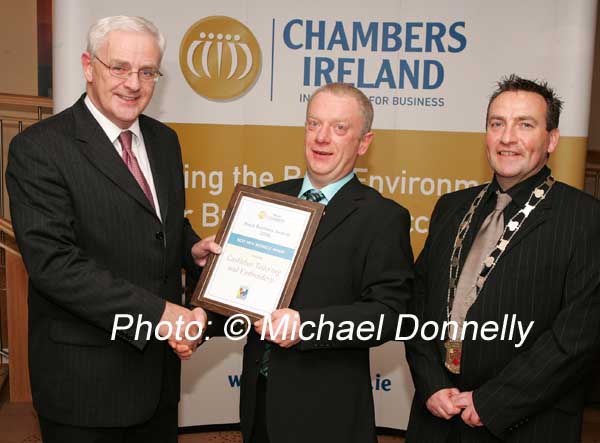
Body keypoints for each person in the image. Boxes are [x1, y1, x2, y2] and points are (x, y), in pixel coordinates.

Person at [6, 15, 217, 443]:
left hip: (156, 378)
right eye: (118, 67)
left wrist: (189, 248)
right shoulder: (40, 148)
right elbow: (55, 265)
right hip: (85, 384)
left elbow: (160, 222)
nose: (133, 83)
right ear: (88, 66)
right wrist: (161, 315)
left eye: (146, 71)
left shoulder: (164, 140)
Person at [178, 82, 414, 442]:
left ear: (364, 142)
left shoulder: (382, 218)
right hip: (259, 405)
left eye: (339, 128)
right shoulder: (269, 199)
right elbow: (241, 293)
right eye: (313, 124)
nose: (321, 138)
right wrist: (203, 318)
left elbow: (389, 315)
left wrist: (307, 325)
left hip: (327, 414)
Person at [405, 74, 600, 443]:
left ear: (551, 140)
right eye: (497, 124)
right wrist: (430, 383)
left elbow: (576, 337)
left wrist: (494, 401)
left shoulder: (585, 219)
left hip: (525, 424)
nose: (507, 138)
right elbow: (416, 303)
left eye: (525, 125)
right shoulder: (451, 208)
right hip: (437, 419)